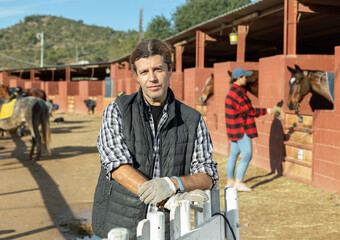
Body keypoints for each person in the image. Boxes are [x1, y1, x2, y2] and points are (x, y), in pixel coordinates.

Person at [92, 39, 218, 240]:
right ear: (137, 77)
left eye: (158, 69)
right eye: (144, 72)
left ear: (170, 70)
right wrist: (166, 200)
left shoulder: (192, 120)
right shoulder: (117, 110)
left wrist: (173, 183)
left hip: (168, 228)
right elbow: (116, 166)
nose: (152, 78)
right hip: (120, 227)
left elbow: (207, 174)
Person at [225, 68, 273, 192]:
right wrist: (266, 111)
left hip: (233, 129)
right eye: (245, 77)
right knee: (247, 154)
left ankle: (230, 181)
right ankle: (239, 182)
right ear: (239, 78)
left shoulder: (231, 92)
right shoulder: (238, 92)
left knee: (233, 155)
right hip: (242, 128)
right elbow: (249, 110)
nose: (246, 79)